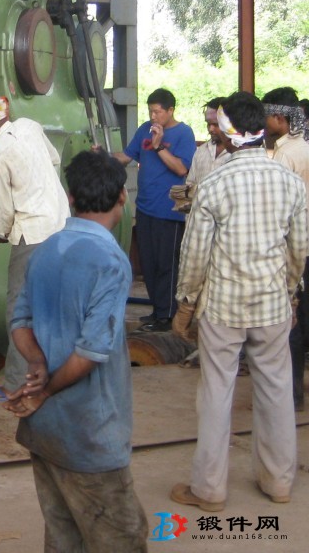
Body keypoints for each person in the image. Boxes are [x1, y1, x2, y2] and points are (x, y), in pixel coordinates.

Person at [2, 150, 148, 552]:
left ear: (69, 197)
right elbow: (89, 353)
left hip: (45, 432)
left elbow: (20, 323)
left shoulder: (46, 249)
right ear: (123, 197)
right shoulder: (111, 263)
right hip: (91, 435)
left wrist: (37, 366)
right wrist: (46, 388)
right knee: (120, 538)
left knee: (64, 536)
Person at [171, 91, 307, 511]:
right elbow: (299, 248)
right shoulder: (289, 182)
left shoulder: (213, 184)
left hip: (224, 308)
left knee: (216, 393)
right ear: (263, 129)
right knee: (277, 390)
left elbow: (194, 255)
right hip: (271, 305)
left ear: (227, 135)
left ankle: (209, 490)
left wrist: (186, 303)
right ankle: (279, 483)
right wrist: (291, 292)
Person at [0, 94, 69, 397]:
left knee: (20, 311)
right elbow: (53, 160)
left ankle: (15, 384)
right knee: (53, 305)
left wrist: (2, 231)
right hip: (62, 226)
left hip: (32, 236)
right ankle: (57, 374)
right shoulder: (29, 126)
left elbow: (2, 213)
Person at [113, 88, 196, 332]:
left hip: (169, 210)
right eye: (150, 111)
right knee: (148, 263)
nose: (153, 116)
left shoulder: (184, 133)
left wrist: (159, 146)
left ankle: (169, 315)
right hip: (146, 208)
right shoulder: (144, 130)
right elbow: (127, 157)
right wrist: (103, 156)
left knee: (166, 264)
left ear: (171, 110)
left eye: (158, 112)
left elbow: (182, 169)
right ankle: (157, 310)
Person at [262, 86, 309, 411]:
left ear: (280, 117)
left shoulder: (286, 155)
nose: (264, 123)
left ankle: (290, 396)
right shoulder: (302, 147)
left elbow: (278, 207)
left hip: (295, 246)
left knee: (291, 320)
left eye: (267, 117)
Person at [185, 97, 230, 188]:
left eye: (216, 124)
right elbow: (190, 185)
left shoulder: (237, 153)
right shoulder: (201, 151)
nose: (210, 129)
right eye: (208, 124)